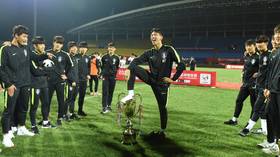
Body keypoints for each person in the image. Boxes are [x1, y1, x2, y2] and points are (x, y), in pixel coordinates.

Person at [121, 28, 185, 137]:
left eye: (155, 35)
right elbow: (136, 61)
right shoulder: (149, 52)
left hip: (162, 84)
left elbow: (181, 64)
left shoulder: (169, 49)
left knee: (162, 107)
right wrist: (127, 68)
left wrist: (173, 79)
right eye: (151, 35)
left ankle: (162, 131)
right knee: (133, 67)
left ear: (161, 37)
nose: (153, 37)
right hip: (151, 79)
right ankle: (130, 94)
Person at [0, 25, 51, 147]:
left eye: (27, 36)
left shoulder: (26, 48)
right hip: (13, 85)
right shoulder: (5, 49)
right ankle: (6, 136)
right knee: (9, 111)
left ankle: (21, 128)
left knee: (23, 108)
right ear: (16, 35)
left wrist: (46, 55)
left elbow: (34, 57)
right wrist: (8, 84)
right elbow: (1, 69)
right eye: (24, 36)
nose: (26, 38)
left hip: (26, 84)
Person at [239, 35, 270, 136]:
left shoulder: (270, 55)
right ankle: (264, 130)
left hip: (266, 87)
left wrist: (268, 87)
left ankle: (247, 129)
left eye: (261, 46)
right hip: (258, 85)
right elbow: (262, 69)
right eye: (258, 46)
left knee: (257, 108)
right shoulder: (260, 55)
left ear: (266, 44)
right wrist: (258, 74)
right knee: (262, 110)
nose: (259, 48)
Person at [224, 39, 259, 126]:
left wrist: (258, 74)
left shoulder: (258, 57)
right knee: (239, 100)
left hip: (254, 85)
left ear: (254, 46)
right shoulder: (246, 55)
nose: (248, 48)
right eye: (247, 46)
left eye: (250, 46)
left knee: (253, 105)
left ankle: (250, 124)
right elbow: (245, 67)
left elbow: (264, 69)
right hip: (245, 84)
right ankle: (234, 120)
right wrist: (243, 72)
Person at [29, 36, 55, 133]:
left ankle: (45, 122)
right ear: (35, 46)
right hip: (34, 84)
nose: (43, 46)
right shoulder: (32, 55)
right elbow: (35, 71)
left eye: (43, 44)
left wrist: (43, 70)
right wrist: (46, 71)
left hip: (44, 84)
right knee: (34, 106)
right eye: (40, 44)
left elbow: (51, 69)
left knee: (46, 103)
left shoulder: (45, 54)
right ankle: (33, 126)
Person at [46, 36, 74, 126]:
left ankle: (59, 118)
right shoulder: (47, 53)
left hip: (60, 81)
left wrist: (66, 75)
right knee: (47, 100)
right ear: (53, 42)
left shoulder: (65, 55)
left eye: (60, 43)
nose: (58, 44)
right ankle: (45, 118)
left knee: (61, 100)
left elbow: (71, 66)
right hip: (48, 81)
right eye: (57, 42)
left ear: (62, 45)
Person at [262, 24, 280, 155]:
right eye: (276, 34)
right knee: (269, 115)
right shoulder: (275, 53)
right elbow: (271, 72)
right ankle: (273, 143)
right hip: (274, 90)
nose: (277, 37)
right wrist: (268, 87)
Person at [100, 42, 120, 114]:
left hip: (113, 77)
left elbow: (117, 67)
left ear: (115, 49)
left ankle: (109, 105)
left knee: (111, 92)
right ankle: (104, 106)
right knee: (105, 91)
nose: (111, 49)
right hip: (105, 77)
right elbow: (101, 67)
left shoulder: (117, 57)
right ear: (108, 48)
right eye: (109, 47)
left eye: (112, 47)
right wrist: (103, 73)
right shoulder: (104, 57)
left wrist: (114, 73)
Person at [64, 41, 80, 120]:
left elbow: (75, 71)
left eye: (75, 48)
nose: (74, 49)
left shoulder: (75, 58)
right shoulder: (67, 57)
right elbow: (67, 71)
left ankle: (71, 113)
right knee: (68, 99)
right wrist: (72, 80)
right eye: (73, 48)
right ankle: (65, 114)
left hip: (76, 82)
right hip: (69, 82)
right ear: (69, 49)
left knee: (73, 99)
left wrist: (77, 80)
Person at [77, 41, 91, 116]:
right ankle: (69, 112)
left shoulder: (87, 57)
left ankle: (80, 110)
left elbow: (89, 67)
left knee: (82, 96)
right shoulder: (75, 56)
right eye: (82, 47)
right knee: (71, 97)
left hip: (84, 80)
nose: (83, 49)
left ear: (86, 49)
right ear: (79, 48)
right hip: (75, 80)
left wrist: (88, 74)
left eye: (85, 48)